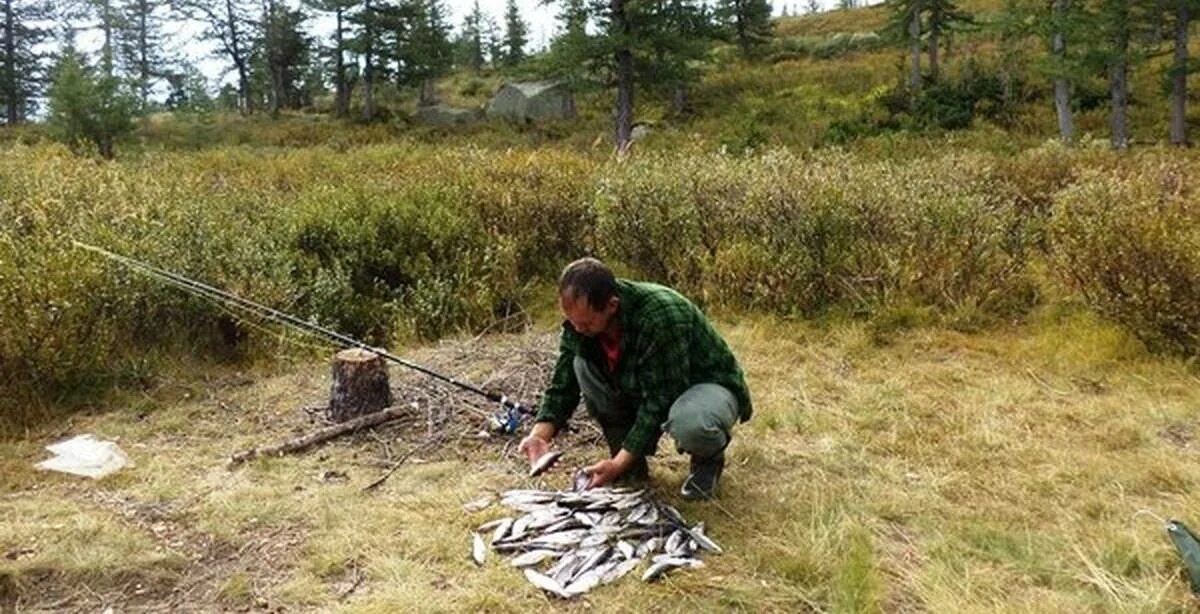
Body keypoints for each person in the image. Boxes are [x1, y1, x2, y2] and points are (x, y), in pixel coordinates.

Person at [518, 257, 753, 500]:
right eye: (573, 322)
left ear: (612, 305)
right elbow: (563, 384)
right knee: (581, 364)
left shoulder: (661, 316)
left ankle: (708, 460)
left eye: (586, 323)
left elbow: (660, 399)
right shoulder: (582, 324)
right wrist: (539, 436)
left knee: (690, 422)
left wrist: (616, 464)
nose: (578, 330)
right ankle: (631, 464)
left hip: (706, 385)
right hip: (645, 384)